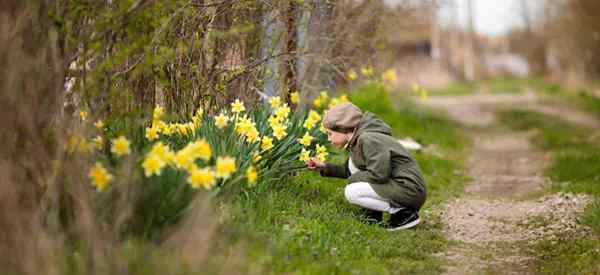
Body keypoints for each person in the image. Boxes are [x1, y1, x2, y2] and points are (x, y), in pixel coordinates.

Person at [305, 102, 427, 231]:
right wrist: (323, 166)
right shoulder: (359, 139)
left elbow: (379, 174)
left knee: (352, 192)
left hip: (409, 189)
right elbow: (350, 170)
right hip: (402, 187)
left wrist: (353, 180)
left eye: (330, 133)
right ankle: (372, 215)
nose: (329, 139)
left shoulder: (368, 139)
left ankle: (403, 214)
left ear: (343, 128)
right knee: (356, 175)